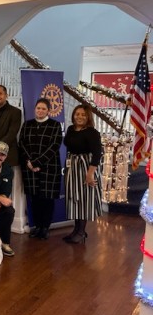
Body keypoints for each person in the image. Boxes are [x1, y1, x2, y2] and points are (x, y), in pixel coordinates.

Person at [18, 98, 62, 239]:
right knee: (35, 199)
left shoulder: (55, 125)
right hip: (30, 168)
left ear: (48, 110)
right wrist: (30, 162)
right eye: (38, 108)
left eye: (43, 108)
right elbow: (22, 143)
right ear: (34, 109)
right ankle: (37, 227)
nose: (40, 111)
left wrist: (37, 163)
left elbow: (54, 146)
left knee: (47, 199)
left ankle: (45, 228)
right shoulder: (27, 124)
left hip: (49, 168)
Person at [63, 104, 102, 244]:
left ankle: (81, 232)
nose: (79, 117)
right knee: (75, 198)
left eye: (83, 115)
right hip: (72, 167)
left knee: (84, 199)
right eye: (77, 114)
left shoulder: (92, 132)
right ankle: (76, 230)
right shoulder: (70, 129)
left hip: (86, 167)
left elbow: (97, 154)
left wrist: (90, 174)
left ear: (88, 117)